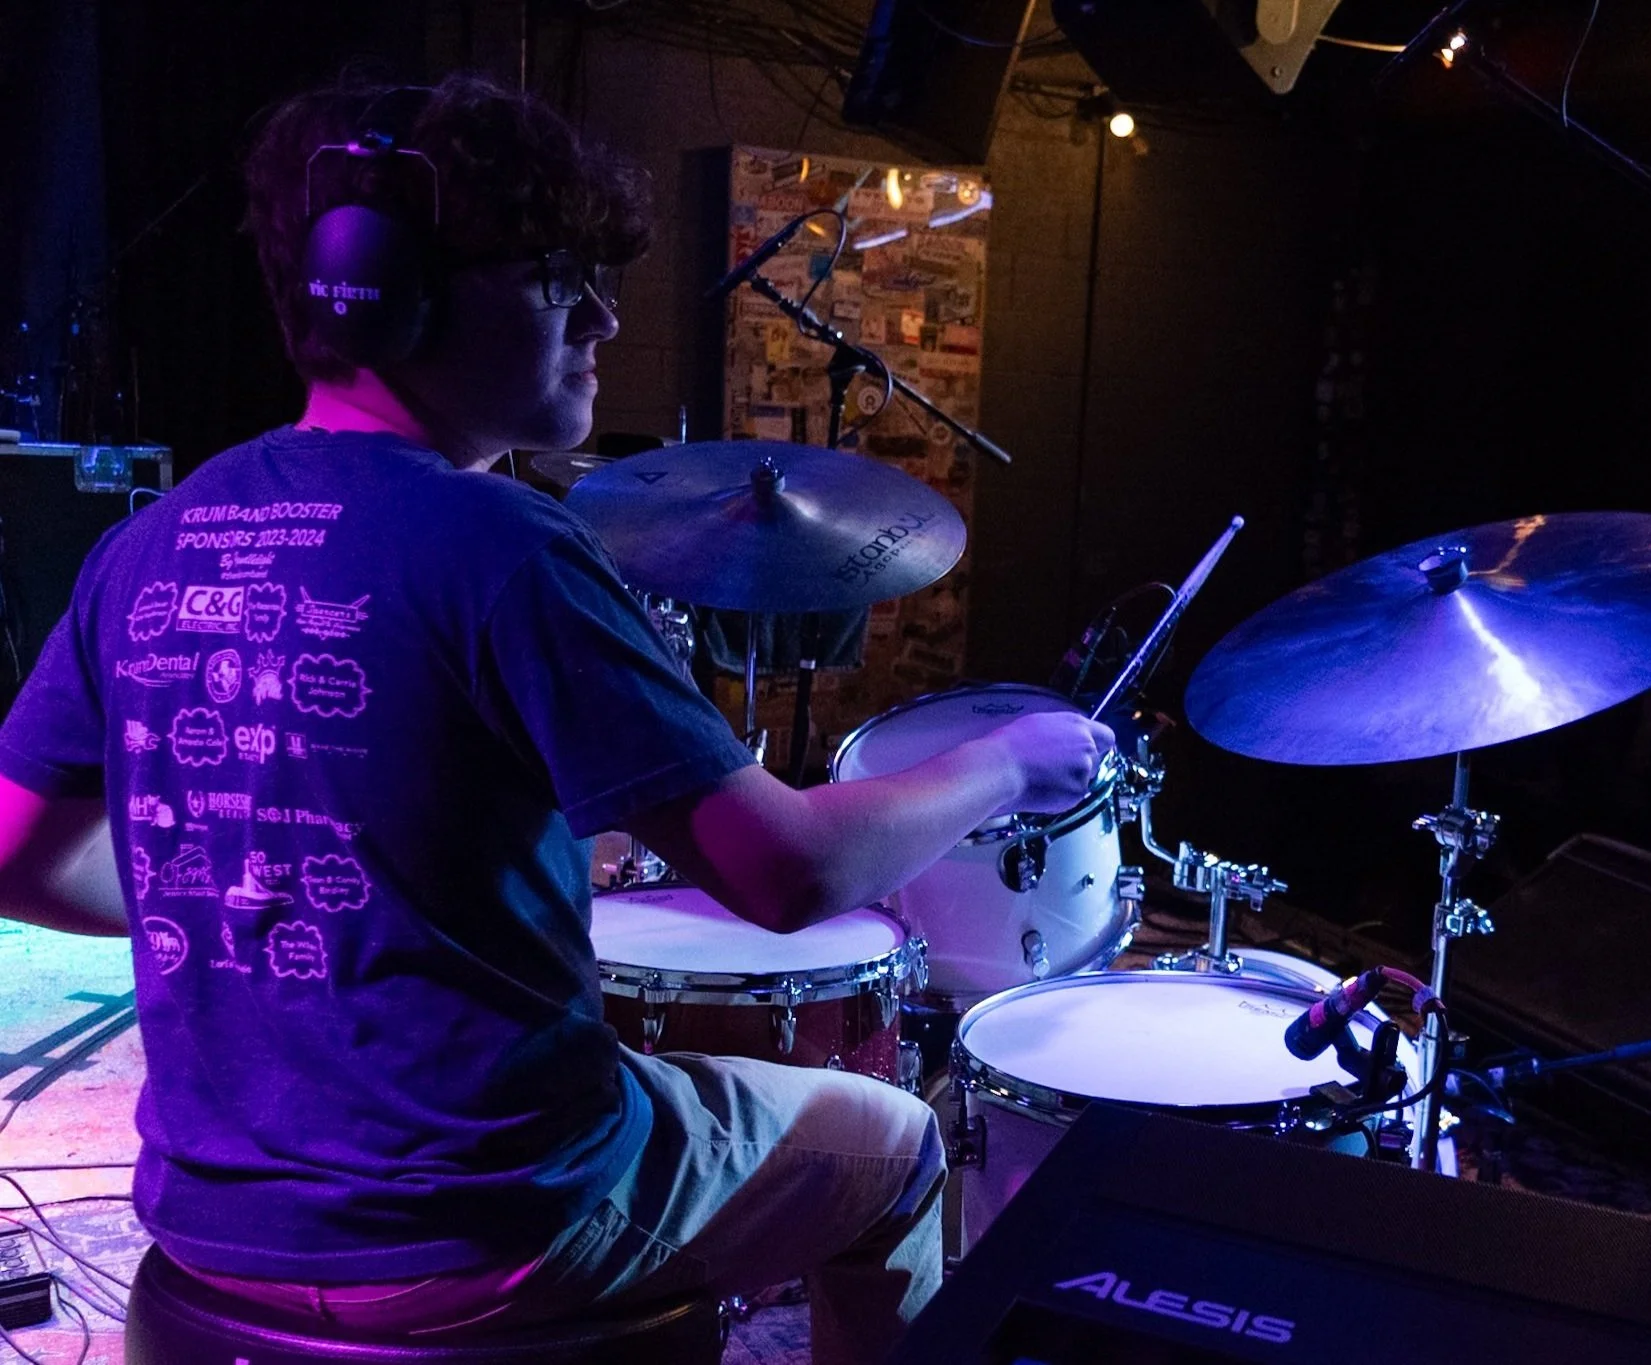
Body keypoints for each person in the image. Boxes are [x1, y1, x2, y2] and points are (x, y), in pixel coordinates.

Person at [0, 73, 1111, 1364]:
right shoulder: (502, 544)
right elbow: (789, 870)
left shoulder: (151, 544)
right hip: (500, 1221)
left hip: (210, 1229)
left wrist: (271, 884)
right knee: (904, 1144)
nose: (603, 314)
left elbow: (16, 856)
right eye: (555, 279)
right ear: (389, 287)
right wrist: (1006, 760)